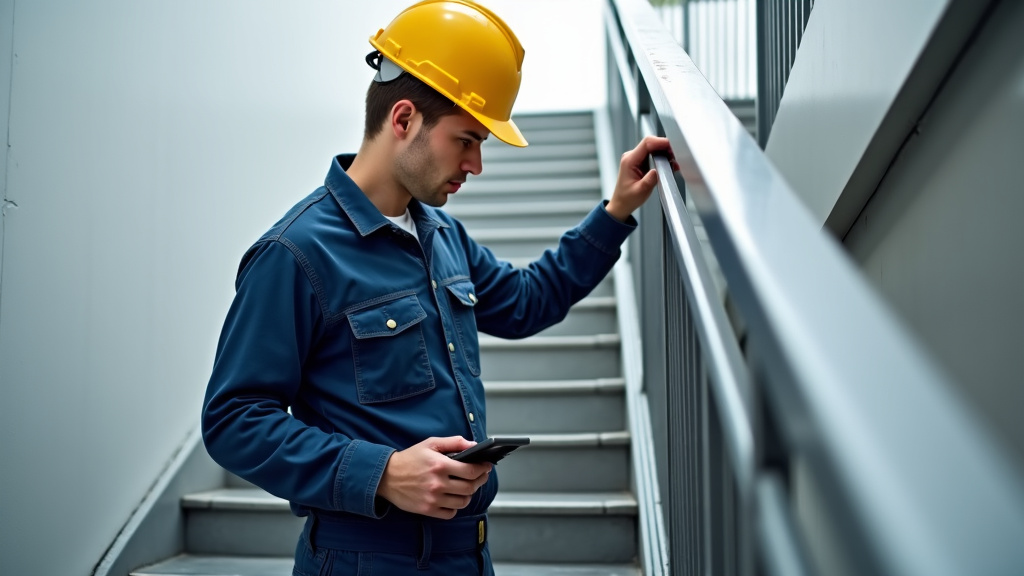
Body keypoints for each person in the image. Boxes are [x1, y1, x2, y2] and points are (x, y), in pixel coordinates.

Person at [201, 1, 676, 574]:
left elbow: (526, 302)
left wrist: (617, 210)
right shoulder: (297, 254)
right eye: (466, 140)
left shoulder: (442, 234)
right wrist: (380, 472)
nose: (476, 164)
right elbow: (233, 420)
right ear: (404, 120)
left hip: (468, 554)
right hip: (366, 559)